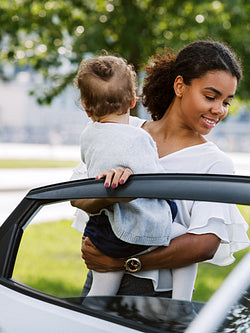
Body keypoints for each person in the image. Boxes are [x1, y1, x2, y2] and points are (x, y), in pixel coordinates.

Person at [71, 40, 250, 300]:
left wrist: (124, 263)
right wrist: (111, 193)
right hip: (99, 277)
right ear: (180, 86)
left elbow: (204, 244)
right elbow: (78, 197)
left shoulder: (214, 162)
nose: (218, 110)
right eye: (210, 97)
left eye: (227, 102)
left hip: (155, 300)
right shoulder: (122, 129)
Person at [74, 54, 184, 297]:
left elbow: (81, 184)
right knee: (182, 236)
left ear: (86, 106)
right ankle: (182, 304)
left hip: (102, 232)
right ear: (133, 100)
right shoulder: (140, 137)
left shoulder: (88, 136)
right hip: (138, 230)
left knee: (99, 296)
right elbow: (154, 181)